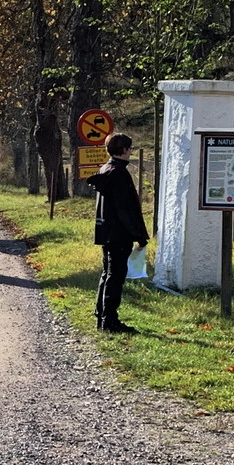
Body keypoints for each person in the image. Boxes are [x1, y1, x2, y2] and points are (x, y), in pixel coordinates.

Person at [85, 133, 149, 334]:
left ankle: (101, 315)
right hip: (120, 233)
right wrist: (140, 235)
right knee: (116, 276)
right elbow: (126, 209)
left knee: (108, 273)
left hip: (107, 230)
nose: (131, 151)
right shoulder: (119, 174)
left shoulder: (106, 169)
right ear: (123, 150)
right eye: (129, 148)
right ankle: (110, 321)